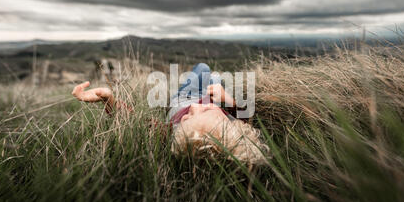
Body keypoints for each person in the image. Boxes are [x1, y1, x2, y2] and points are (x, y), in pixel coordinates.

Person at [72, 63, 268, 164]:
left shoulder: (174, 134)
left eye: (187, 119)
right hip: (213, 96)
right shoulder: (234, 125)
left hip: (184, 96)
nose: (194, 108)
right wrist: (228, 101)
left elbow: (136, 122)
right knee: (215, 79)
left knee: (204, 69)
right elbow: (245, 116)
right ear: (232, 124)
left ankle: (206, 81)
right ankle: (215, 83)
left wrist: (109, 99)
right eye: (206, 111)